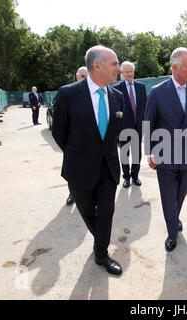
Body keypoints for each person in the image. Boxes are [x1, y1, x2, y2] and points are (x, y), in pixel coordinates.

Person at [52, 45, 125, 275]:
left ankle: (101, 254)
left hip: (108, 168)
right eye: (114, 64)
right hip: (79, 168)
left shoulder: (117, 96)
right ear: (97, 65)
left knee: (106, 212)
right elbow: (59, 132)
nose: (118, 69)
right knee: (88, 212)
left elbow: (116, 131)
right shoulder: (68, 94)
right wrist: (78, 152)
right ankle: (101, 241)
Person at [145, 47, 187, 252]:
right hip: (165, 154)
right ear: (175, 68)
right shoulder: (157, 92)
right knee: (168, 195)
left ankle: (174, 216)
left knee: (183, 191)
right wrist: (150, 152)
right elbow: (148, 124)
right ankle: (172, 232)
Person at [114, 61, 147, 188]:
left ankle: (135, 176)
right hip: (123, 128)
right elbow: (115, 110)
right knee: (124, 153)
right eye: (127, 71)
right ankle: (126, 177)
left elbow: (145, 105)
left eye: (131, 71)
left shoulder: (141, 87)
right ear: (122, 73)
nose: (130, 74)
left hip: (138, 127)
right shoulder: (116, 88)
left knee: (137, 153)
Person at [65, 66, 89, 207]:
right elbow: (60, 126)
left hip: (91, 144)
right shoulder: (68, 93)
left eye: (87, 77)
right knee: (73, 171)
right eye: (82, 77)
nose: (85, 80)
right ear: (77, 77)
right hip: (73, 144)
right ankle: (72, 193)